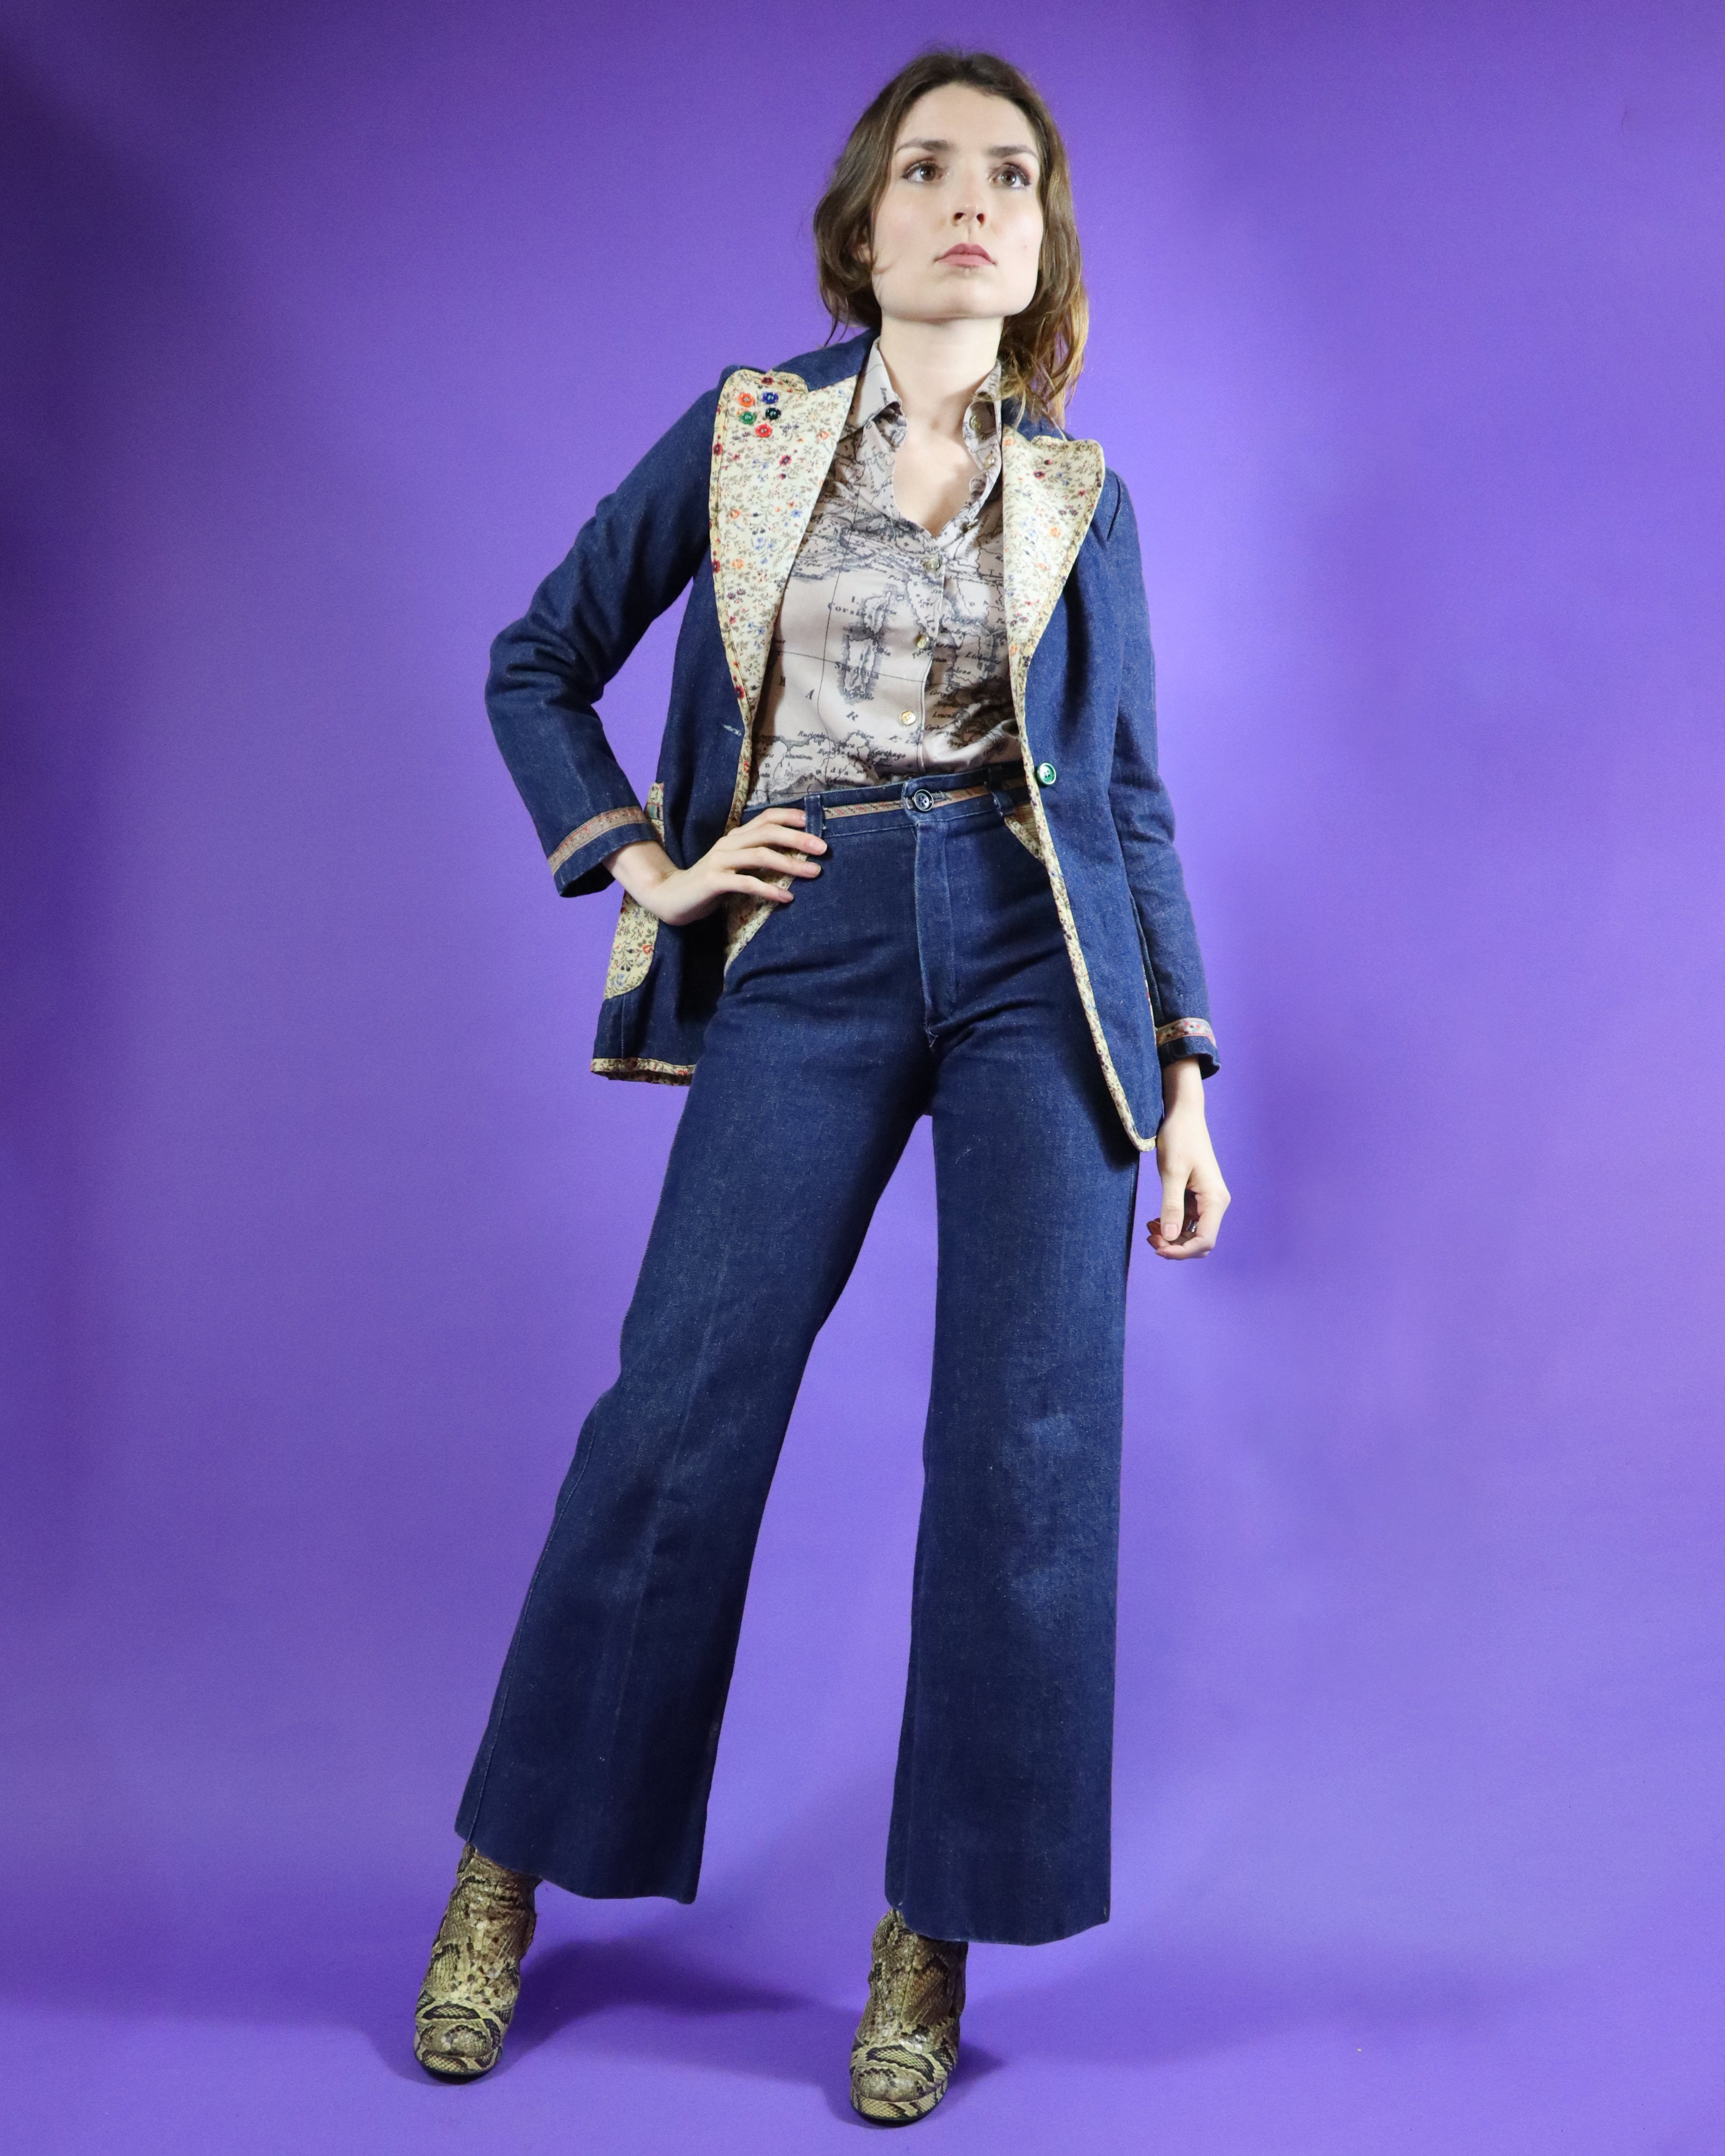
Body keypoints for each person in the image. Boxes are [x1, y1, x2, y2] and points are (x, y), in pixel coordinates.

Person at [413, 47, 1229, 2123]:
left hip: (1045, 966)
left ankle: (928, 1935)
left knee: (1028, 1449)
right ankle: (504, 1873)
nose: (971, 201)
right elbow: (538, 656)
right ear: (865, 225)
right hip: (814, 923)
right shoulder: (753, 430)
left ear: (1039, 242)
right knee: (682, 1406)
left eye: (1010, 177)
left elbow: (1127, 800)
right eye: (928, 169)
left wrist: (1184, 1079)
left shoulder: (1083, 497)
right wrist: (649, 862)